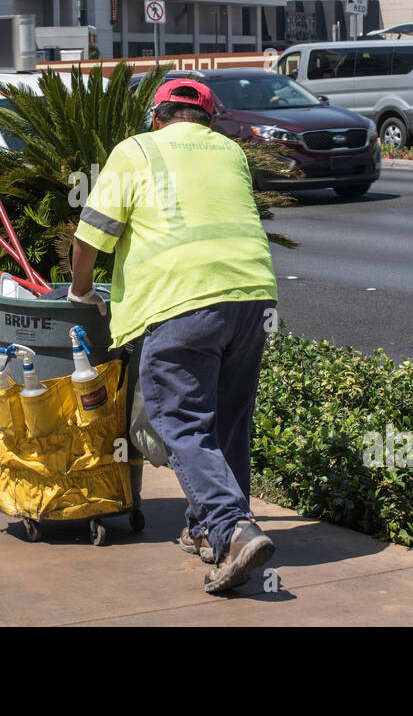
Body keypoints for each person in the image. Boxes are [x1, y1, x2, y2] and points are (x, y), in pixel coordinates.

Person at [68, 78, 279, 594]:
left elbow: (91, 233)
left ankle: (231, 530)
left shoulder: (135, 149)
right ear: (208, 120)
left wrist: (79, 293)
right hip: (252, 297)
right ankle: (207, 528)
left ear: (157, 117)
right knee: (228, 419)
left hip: (181, 301)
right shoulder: (230, 151)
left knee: (181, 421)